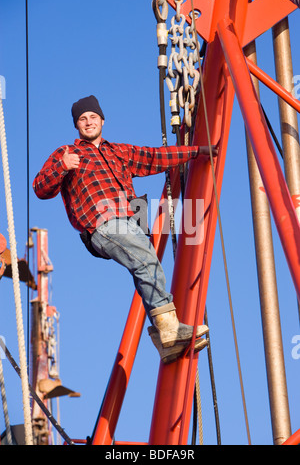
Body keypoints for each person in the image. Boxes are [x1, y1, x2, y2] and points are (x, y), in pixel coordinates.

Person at [33, 95, 214, 363]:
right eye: (82, 119)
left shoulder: (118, 151)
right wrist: (62, 166)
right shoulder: (67, 154)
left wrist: (196, 151)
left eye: (93, 117)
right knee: (145, 258)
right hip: (102, 223)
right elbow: (40, 187)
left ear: (102, 120)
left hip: (129, 220)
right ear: (77, 126)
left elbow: (155, 157)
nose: (88, 122)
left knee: (146, 265)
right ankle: (170, 328)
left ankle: (166, 343)